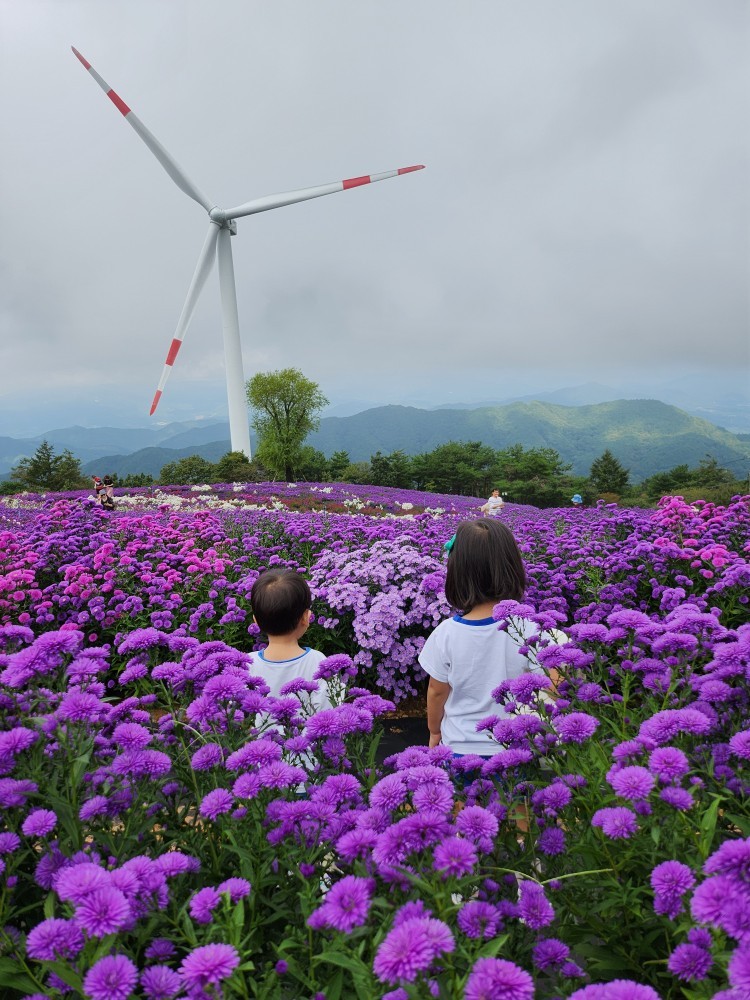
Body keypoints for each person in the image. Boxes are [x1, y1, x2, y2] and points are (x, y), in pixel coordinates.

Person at [419, 518, 559, 756]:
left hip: (460, 746)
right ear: (513, 566)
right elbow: (555, 684)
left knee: (460, 794)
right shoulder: (530, 629)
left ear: (456, 574)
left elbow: (436, 691)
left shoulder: (446, 633)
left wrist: (434, 730)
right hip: (516, 748)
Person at [250, 569, 333, 716]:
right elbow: (329, 710)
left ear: (256, 622)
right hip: (308, 738)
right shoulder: (318, 661)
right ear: (306, 618)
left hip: (257, 739)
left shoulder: (246, 664)